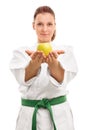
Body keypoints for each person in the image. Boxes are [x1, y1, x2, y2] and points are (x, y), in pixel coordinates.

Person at [10, 5, 78, 130]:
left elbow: (63, 79)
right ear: (33, 25)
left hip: (60, 117)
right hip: (29, 117)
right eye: (40, 24)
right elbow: (22, 78)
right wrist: (34, 64)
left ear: (55, 26)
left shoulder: (65, 52)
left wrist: (54, 65)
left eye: (49, 24)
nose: (45, 29)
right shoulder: (22, 53)